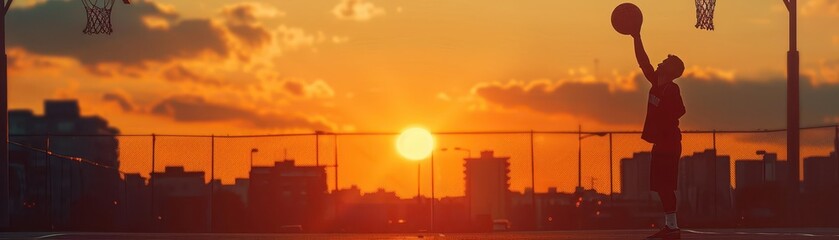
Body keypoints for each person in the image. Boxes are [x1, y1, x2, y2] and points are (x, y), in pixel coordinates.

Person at [631, 31, 686, 239]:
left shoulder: (672, 89)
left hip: (670, 143)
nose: (660, 62)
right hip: (661, 143)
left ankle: (673, 228)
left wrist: (663, 118)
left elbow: (681, 110)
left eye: (665, 61)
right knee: (661, 187)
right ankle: (670, 226)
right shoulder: (655, 82)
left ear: (671, 69)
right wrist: (636, 37)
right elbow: (643, 60)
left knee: (666, 186)